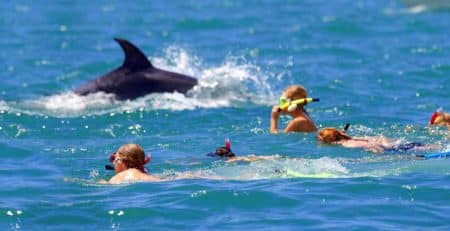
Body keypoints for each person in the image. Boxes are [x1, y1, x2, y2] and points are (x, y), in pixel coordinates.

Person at [316, 127, 433, 154]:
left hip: (396, 151)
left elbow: (372, 147)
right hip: (398, 145)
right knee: (429, 146)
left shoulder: (347, 145)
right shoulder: (350, 138)